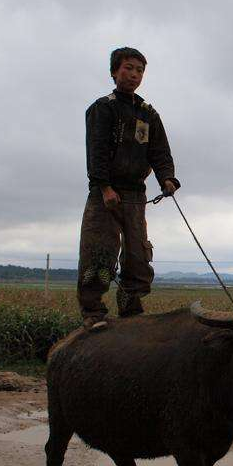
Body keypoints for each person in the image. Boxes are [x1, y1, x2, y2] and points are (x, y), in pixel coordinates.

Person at [78, 46, 180, 331]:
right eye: (128, 68)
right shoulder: (102, 108)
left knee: (138, 255)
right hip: (105, 195)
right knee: (99, 251)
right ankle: (93, 313)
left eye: (140, 70)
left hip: (136, 195)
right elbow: (95, 151)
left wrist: (167, 178)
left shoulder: (148, 113)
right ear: (114, 71)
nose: (134, 75)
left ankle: (131, 310)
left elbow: (160, 151)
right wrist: (104, 187)